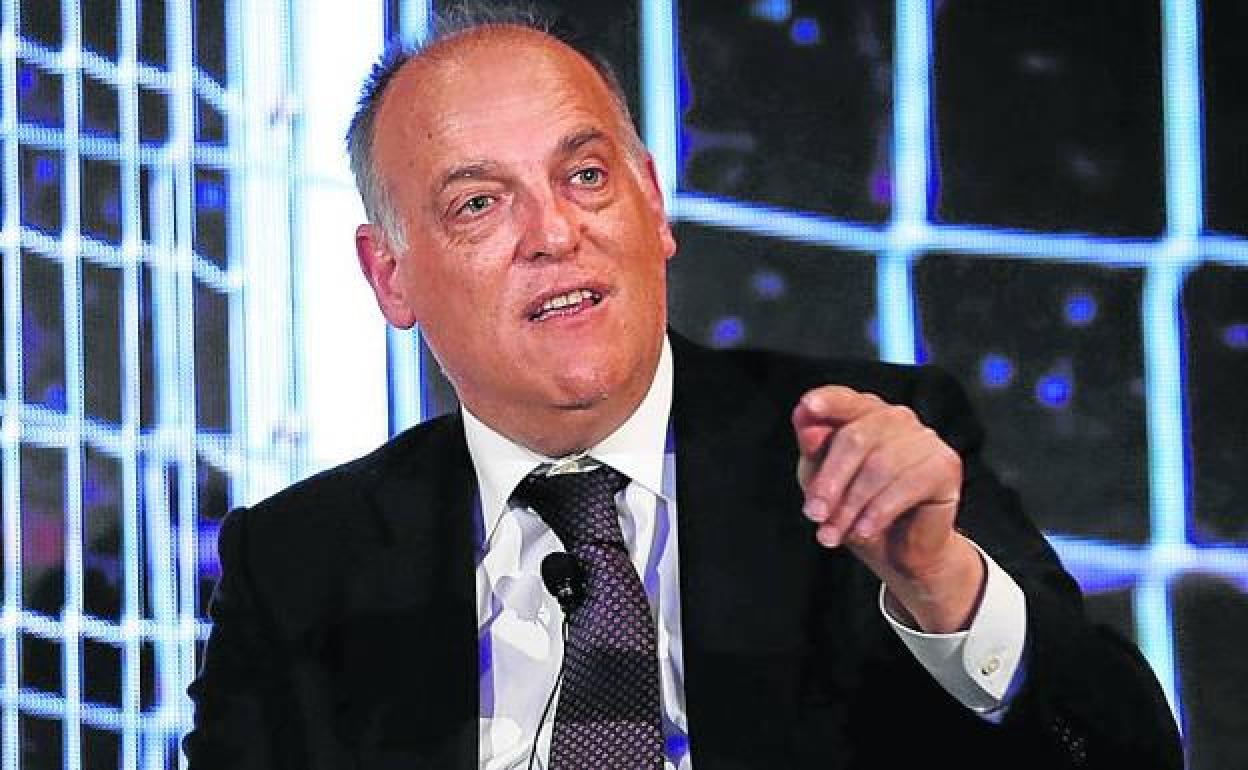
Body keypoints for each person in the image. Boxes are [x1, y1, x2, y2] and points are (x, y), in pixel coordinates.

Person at [184, 6, 1183, 769]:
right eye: (480, 202)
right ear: (390, 275)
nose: (554, 232)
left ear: (653, 203)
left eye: (585, 176)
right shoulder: (297, 564)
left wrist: (941, 585)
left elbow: (1127, 752)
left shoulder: (865, 456)